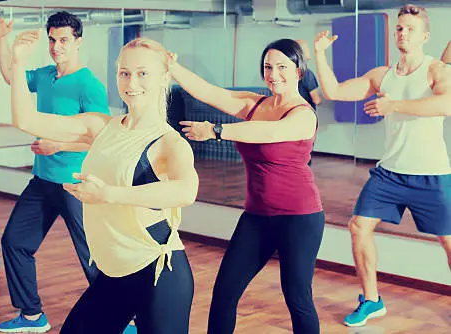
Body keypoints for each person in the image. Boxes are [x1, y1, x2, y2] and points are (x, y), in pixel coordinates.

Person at [10, 30, 198, 334]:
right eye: (124, 73)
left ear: (164, 77)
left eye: (142, 73)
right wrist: (18, 63)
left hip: (159, 273)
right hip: (115, 273)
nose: (131, 82)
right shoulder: (101, 126)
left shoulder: (168, 142)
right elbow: (26, 121)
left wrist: (108, 194)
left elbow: (186, 190)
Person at [170, 38, 324, 334]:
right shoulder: (255, 104)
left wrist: (216, 131)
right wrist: (172, 67)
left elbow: (267, 132)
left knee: (297, 297)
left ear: (298, 71)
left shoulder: (303, 115)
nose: (274, 74)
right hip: (257, 217)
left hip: (299, 218)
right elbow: (209, 92)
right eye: (268, 67)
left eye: (282, 67)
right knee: (225, 293)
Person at [313, 3, 451, 327]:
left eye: (411, 29)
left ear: (425, 36)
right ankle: (372, 300)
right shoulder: (382, 75)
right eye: (400, 28)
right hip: (390, 172)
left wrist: (394, 104)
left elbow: (446, 103)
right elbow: (334, 91)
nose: (403, 33)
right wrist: (319, 54)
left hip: (431, 173)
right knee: (358, 227)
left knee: (448, 242)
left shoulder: (436, 70)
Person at [0, 12, 110, 332]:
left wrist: (60, 146)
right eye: (53, 40)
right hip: (43, 180)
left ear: (78, 42)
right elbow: (9, 75)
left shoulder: (89, 85)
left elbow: (103, 140)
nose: (57, 47)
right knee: (15, 242)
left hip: (76, 184)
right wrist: (2, 39)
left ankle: (123, 316)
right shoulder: (45, 75)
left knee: (94, 258)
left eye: (64, 40)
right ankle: (32, 315)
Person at [295, 39, 322, 110]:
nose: (309, 50)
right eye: (307, 48)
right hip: (305, 115)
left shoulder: (289, 71)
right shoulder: (307, 74)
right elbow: (316, 100)